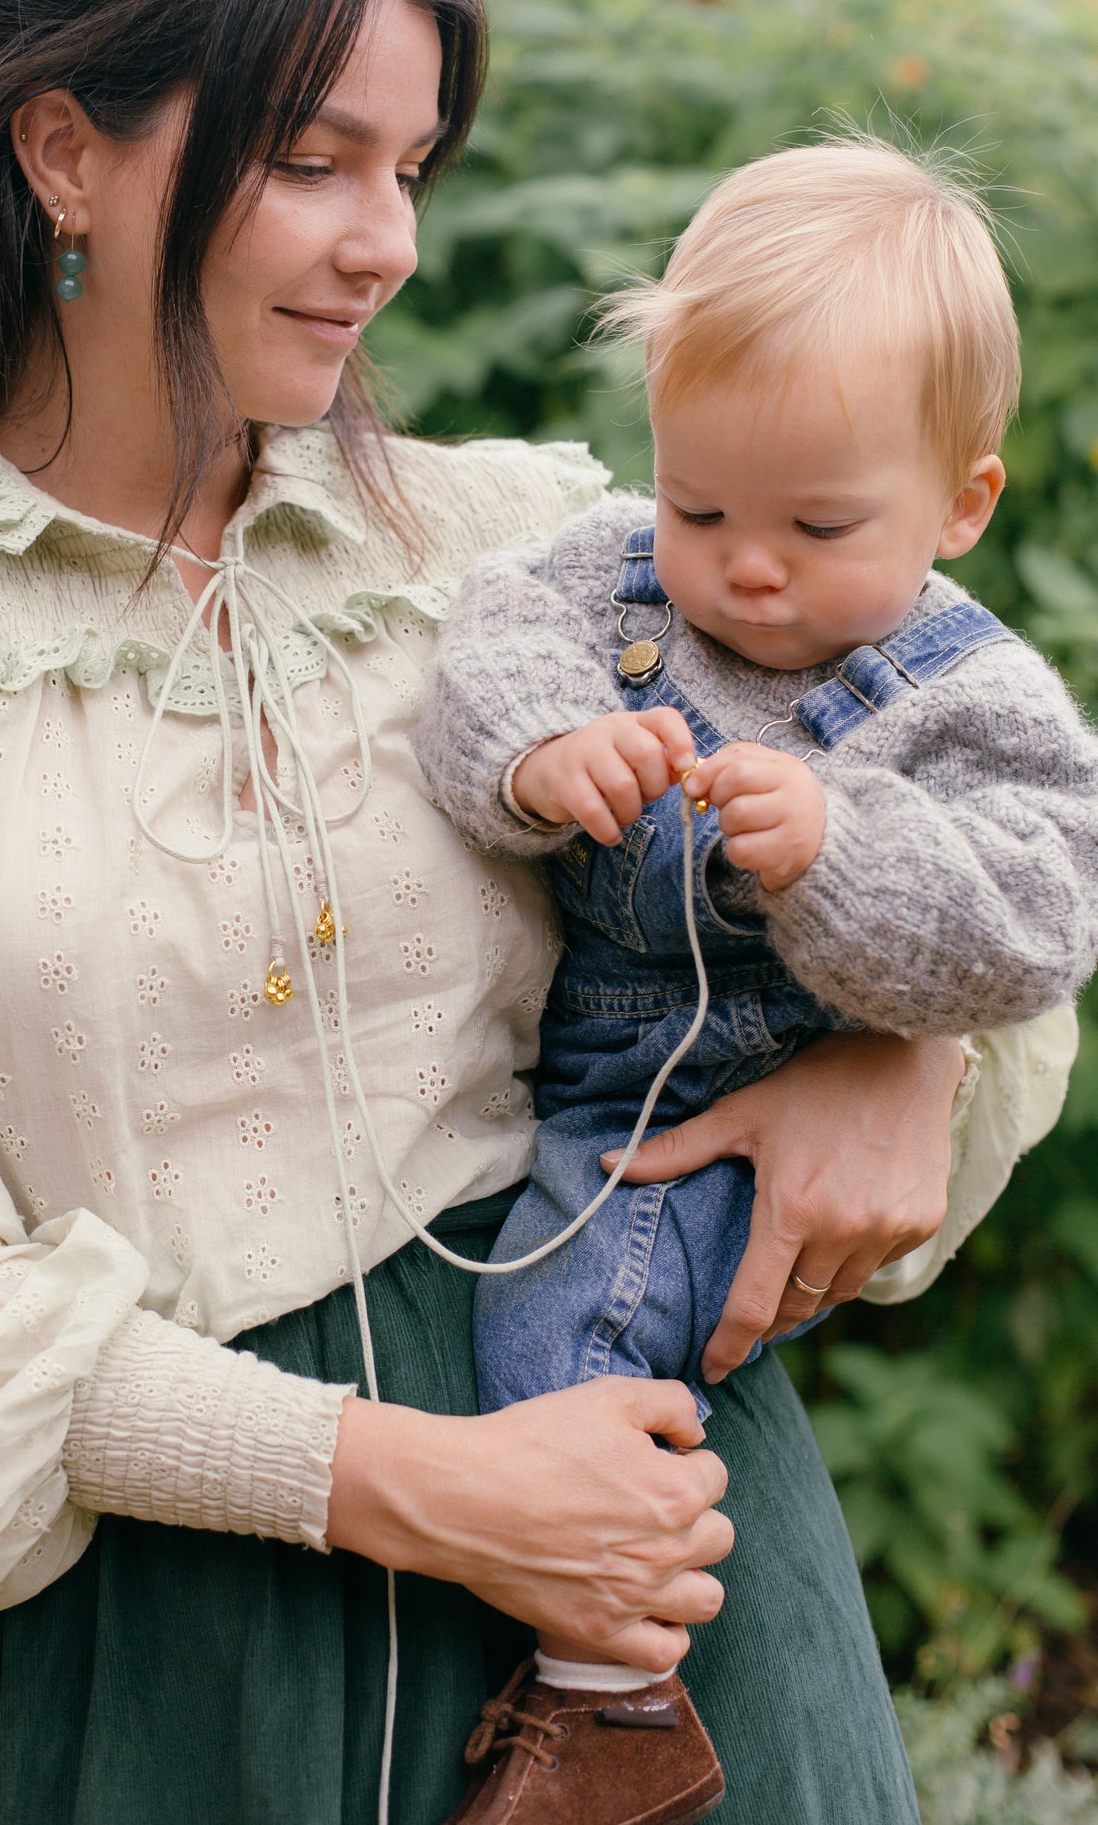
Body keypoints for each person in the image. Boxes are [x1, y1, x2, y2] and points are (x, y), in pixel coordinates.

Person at [0, 0, 1072, 1825]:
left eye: (407, 166)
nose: (387, 240)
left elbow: (1005, 826)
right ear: (64, 145)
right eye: (311, 161)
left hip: (669, 1609)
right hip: (163, 1680)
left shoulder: (535, 552)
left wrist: (907, 1071)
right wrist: (409, 1482)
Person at [415, 137, 1098, 1823]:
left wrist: (835, 848)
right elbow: (487, 644)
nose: (746, 566)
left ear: (960, 503)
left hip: (731, 1108)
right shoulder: (614, 581)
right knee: (563, 1328)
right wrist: (538, 753)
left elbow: (1037, 916)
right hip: (593, 1067)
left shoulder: (966, 697)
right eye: (698, 504)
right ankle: (598, 1668)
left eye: (814, 523)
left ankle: (605, 1706)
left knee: (576, 1325)